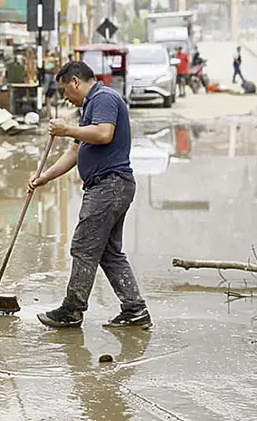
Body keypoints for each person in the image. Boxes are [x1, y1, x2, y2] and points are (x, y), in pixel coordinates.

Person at [28, 60, 151, 329]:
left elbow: (104, 134)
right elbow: (75, 152)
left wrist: (66, 129)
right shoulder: (89, 108)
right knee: (108, 252)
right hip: (112, 187)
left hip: (109, 186)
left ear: (75, 81)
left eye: (65, 90)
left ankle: (71, 310)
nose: (65, 97)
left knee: (83, 247)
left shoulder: (103, 97)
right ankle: (135, 309)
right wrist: (44, 177)